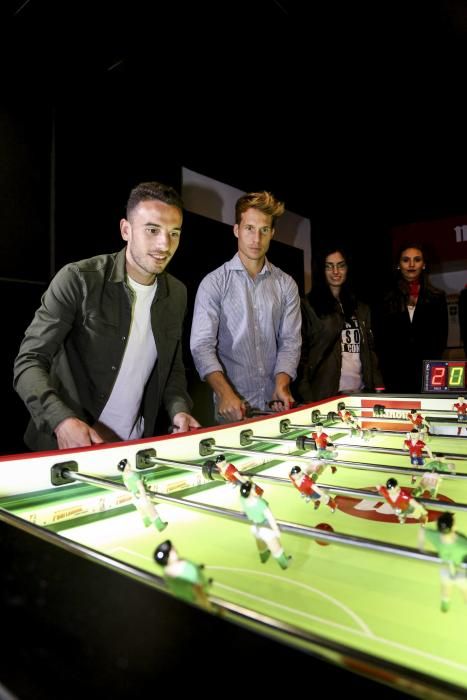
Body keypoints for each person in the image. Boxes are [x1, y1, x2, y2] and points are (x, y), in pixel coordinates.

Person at [13, 181, 200, 451]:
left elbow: (171, 369)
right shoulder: (78, 279)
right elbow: (28, 362)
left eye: (174, 233)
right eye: (152, 230)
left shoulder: (178, 294)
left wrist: (179, 410)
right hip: (66, 448)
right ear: (126, 230)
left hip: (133, 447)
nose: (165, 244)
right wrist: (61, 421)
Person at [190, 191, 301, 423]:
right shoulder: (214, 283)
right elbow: (201, 346)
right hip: (231, 412)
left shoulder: (286, 284)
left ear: (272, 233)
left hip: (276, 409)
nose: (256, 239)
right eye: (249, 228)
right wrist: (225, 393)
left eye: (264, 230)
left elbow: (290, 342)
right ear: (236, 230)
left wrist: (282, 384)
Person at [297, 245, 384, 403]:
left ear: (347, 268)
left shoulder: (361, 308)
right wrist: (306, 396)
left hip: (360, 393)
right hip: (325, 396)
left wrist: (378, 386)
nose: (335, 272)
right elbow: (301, 355)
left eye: (340, 265)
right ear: (320, 270)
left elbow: (370, 352)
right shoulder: (307, 306)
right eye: (329, 266)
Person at [375, 243, 448, 393]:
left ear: (424, 265)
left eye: (417, 259)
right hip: (394, 376)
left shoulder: (437, 298)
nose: (411, 264)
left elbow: (440, 339)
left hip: (427, 375)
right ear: (398, 265)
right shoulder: (385, 299)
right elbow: (380, 340)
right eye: (406, 260)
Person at [418, 512, 467, 612]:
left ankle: (445, 602)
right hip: (461, 570)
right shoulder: (463, 544)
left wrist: (422, 549)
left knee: (446, 586)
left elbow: (422, 531)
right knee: (465, 589)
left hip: (445, 568)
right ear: (453, 526)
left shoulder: (436, 537)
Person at [239, 480, 290, 569]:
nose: (256, 489)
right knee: (275, 547)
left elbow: (243, 508)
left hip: (254, 527)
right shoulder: (260, 503)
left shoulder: (242, 499)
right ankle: (284, 564)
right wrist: (276, 530)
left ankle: (264, 557)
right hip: (265, 528)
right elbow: (270, 518)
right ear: (250, 492)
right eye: (254, 488)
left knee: (260, 543)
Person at [154, 539, 213, 610]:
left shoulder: (168, 573)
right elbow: (199, 594)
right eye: (172, 550)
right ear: (168, 558)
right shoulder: (185, 571)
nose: (174, 549)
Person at [117, 458, 167, 531]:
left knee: (141, 510)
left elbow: (128, 486)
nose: (129, 464)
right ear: (125, 467)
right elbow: (140, 487)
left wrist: (133, 494)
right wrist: (144, 497)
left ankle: (147, 522)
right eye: (127, 463)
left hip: (134, 495)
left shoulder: (124, 477)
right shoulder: (134, 475)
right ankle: (160, 526)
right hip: (141, 495)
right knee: (151, 510)